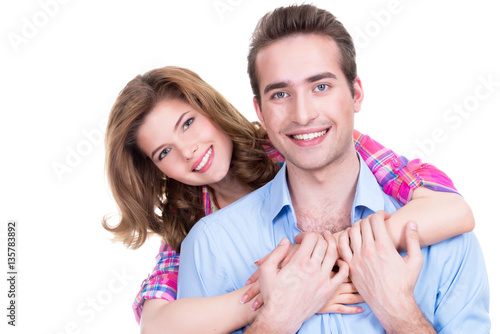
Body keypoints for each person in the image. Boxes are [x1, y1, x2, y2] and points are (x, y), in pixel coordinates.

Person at [176, 4, 489, 333]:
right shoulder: (211, 246)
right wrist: (274, 320)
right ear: (260, 111)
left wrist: (399, 312)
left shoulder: (444, 239)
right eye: (281, 94)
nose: (303, 114)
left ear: (356, 94)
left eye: (321, 87)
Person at [104, 66, 473, 333]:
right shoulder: (189, 222)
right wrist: (278, 295)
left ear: (210, 109)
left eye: (187, 124)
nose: (188, 151)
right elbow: (158, 326)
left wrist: (328, 254)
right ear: (158, 170)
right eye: (164, 152)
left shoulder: (298, 139)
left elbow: (451, 208)